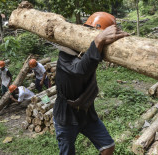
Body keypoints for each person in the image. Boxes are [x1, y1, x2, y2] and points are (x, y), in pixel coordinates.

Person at [53, 12, 129, 155]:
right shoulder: (65, 54)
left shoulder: (90, 50)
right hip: (66, 116)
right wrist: (98, 40)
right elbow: (79, 71)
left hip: (86, 114)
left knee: (108, 147)